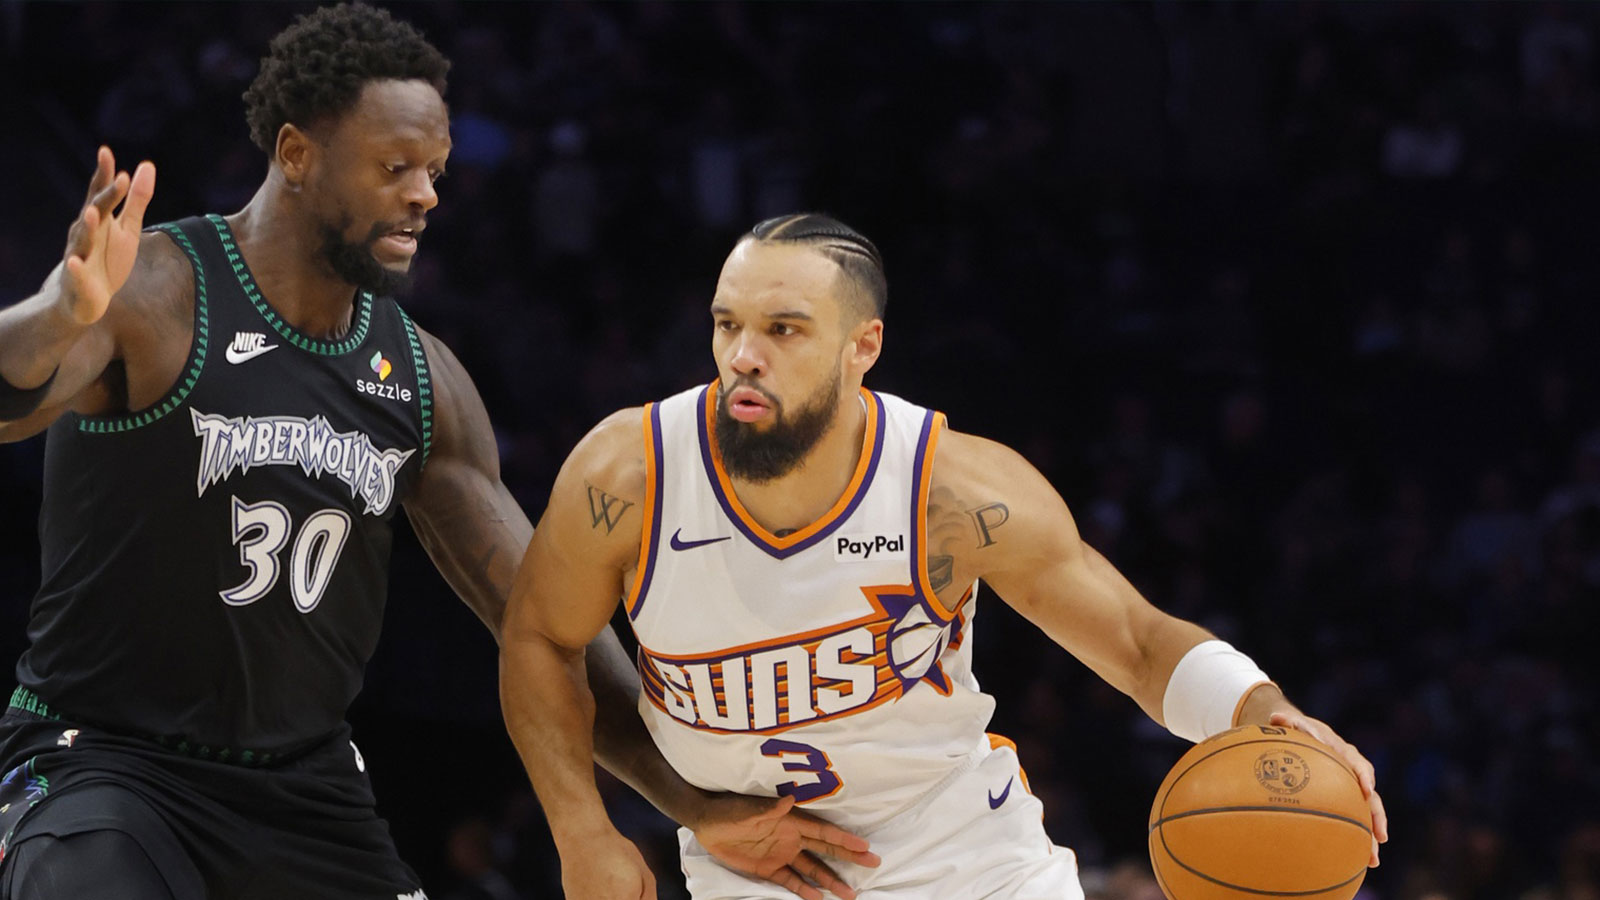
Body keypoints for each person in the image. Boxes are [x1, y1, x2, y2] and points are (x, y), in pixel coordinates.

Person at [0, 8, 869, 899]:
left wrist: (689, 800)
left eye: (435, 171)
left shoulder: (421, 381)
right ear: (296, 155)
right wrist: (58, 315)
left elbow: (542, 619)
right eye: (394, 168)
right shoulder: (155, 288)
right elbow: (14, 393)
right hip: (104, 765)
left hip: (300, 788)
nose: (426, 194)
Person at [499, 213, 1391, 899]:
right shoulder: (629, 474)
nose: (743, 357)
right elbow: (539, 639)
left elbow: (1133, 638)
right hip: (755, 869)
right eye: (727, 324)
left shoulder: (952, 493)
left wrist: (1259, 707)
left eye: (784, 329)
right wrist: (584, 831)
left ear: (864, 348)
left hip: (968, 857)